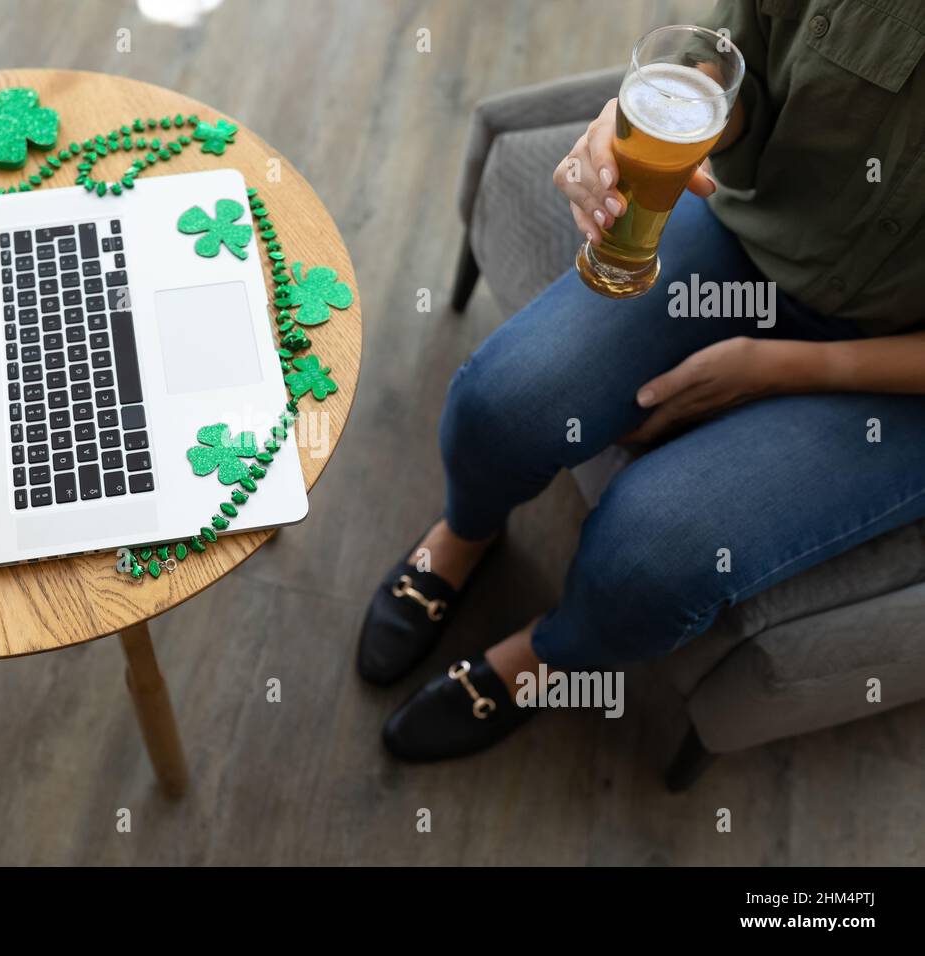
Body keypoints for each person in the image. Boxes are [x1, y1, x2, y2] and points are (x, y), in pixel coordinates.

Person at [357, 0, 925, 762]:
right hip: (759, 239)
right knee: (504, 404)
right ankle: (464, 535)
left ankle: (549, 658)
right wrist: (650, 129)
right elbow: (735, 68)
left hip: (904, 384)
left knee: (649, 564)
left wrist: (779, 369)